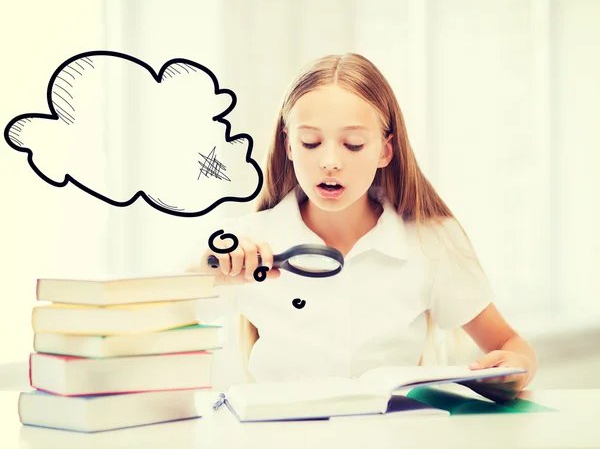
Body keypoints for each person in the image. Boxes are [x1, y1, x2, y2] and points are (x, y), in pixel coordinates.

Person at [186, 53, 537, 403]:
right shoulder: (245, 241)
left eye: (353, 145)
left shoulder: (431, 241)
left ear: (386, 151)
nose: (330, 162)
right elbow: (150, 328)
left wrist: (515, 368)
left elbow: (511, 346)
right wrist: (206, 270)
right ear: (289, 145)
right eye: (310, 142)